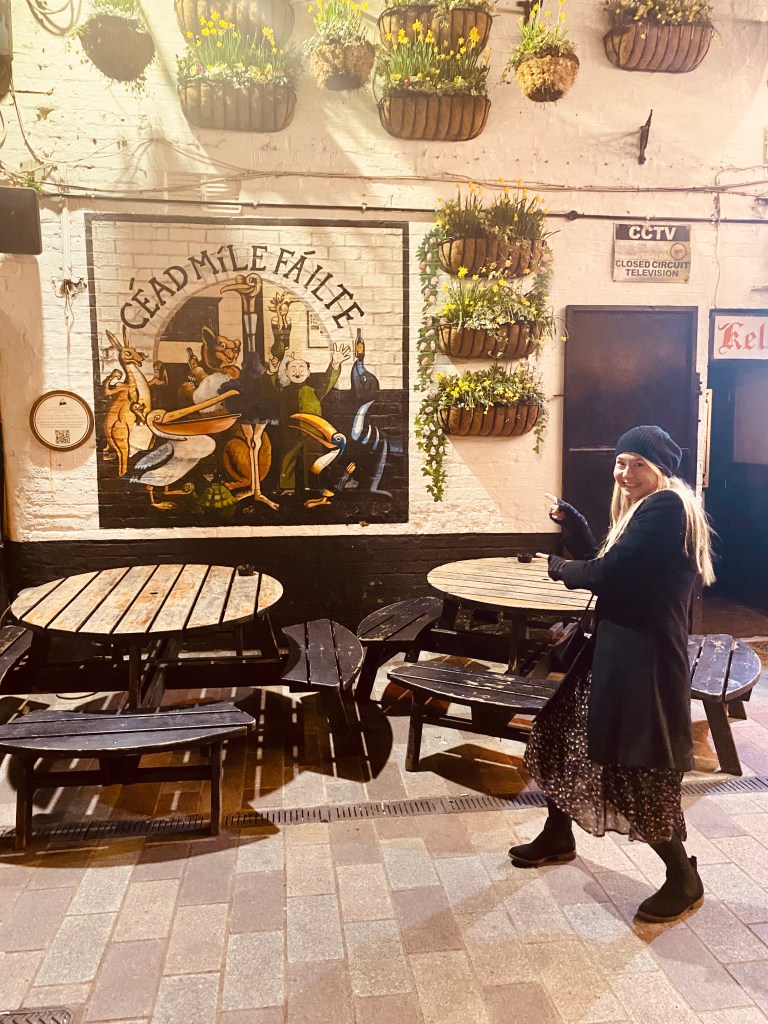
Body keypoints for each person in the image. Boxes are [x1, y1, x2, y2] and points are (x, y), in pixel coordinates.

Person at [508, 425, 716, 923]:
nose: (625, 473)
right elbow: (613, 564)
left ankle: (683, 878)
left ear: (659, 469)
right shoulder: (646, 510)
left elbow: (605, 574)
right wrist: (577, 528)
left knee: (638, 770)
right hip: (615, 654)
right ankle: (558, 834)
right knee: (560, 736)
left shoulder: (666, 508)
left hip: (642, 663)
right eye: (621, 462)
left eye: (638, 464)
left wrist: (557, 566)